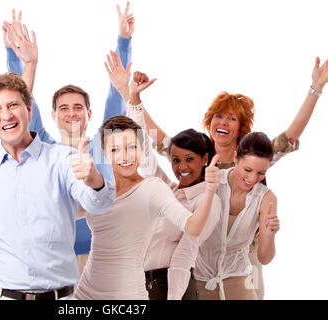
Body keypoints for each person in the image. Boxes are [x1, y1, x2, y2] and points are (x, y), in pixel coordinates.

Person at [137, 57, 328, 299]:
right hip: (202, 260)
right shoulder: (197, 157)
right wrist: (134, 98)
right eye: (219, 115)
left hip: (242, 258)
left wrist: (315, 89)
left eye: (232, 118)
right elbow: (160, 140)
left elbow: (290, 136)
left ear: (241, 129)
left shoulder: (252, 156)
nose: (223, 122)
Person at [0, 72, 115, 300]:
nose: (7, 115)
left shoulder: (64, 160)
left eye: (13, 105)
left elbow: (98, 205)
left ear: (28, 110)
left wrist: (94, 180)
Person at [2, 4, 134, 275]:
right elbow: (21, 100)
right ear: (53, 114)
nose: (71, 113)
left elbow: (117, 92)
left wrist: (124, 40)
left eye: (77, 107)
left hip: (102, 255)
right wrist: (13, 56)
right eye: (64, 108)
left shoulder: (102, 143)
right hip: (54, 257)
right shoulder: (44, 147)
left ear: (89, 113)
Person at [106, 64, 222, 300]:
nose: (182, 167)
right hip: (142, 284)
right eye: (176, 160)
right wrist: (134, 97)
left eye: (190, 159)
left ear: (205, 159)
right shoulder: (167, 191)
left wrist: (173, 298)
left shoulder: (208, 201)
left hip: (170, 288)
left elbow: (185, 254)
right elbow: (147, 157)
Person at [74, 115, 221, 300]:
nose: (125, 156)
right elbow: (58, 213)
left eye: (132, 147)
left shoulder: (153, 188)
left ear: (142, 149)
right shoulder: (101, 191)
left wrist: (209, 191)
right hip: (85, 295)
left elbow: (192, 227)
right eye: (115, 149)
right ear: (104, 153)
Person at [194, 132, 280, 300]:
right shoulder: (213, 182)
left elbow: (264, 258)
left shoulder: (266, 198)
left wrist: (269, 236)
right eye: (247, 169)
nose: (252, 178)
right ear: (235, 158)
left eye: (261, 173)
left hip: (239, 279)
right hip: (199, 279)